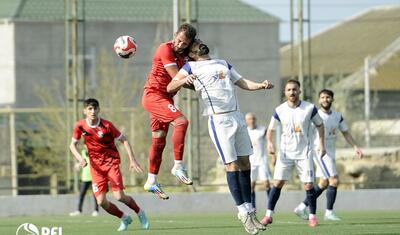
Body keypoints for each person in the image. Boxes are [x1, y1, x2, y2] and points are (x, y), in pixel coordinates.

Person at [167, 40, 274, 235]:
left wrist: (260, 85)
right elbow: (170, 86)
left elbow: (242, 82)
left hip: (237, 116)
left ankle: (250, 211)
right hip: (219, 121)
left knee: (245, 163)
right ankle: (242, 212)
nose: (200, 43)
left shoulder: (223, 63)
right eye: (195, 44)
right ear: (191, 53)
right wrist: (184, 80)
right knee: (231, 165)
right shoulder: (191, 66)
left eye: (199, 41)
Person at [70, 98, 149, 232]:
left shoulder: (107, 126)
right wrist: (79, 159)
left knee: (119, 196)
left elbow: (124, 140)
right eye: (90, 109)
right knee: (101, 202)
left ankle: (140, 212)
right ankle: (124, 217)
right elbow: (72, 145)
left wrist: (132, 160)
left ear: (99, 109)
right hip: (95, 168)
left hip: (111, 163)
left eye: (95, 108)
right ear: (85, 111)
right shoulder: (80, 126)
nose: (93, 111)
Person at [142, 23, 197, 199]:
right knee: (182, 122)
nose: (180, 45)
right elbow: (176, 78)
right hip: (153, 96)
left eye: (185, 43)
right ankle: (178, 166)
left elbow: (189, 78)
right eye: (179, 40)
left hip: (165, 99)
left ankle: (151, 181)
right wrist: (193, 80)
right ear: (174, 35)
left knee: (159, 141)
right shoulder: (164, 49)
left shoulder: (186, 56)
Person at [262, 80, 326, 227]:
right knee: (277, 183)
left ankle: (312, 216)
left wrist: (322, 144)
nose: (292, 92)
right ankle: (268, 216)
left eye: (295, 90)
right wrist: (270, 143)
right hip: (285, 154)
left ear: (299, 91)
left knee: (309, 185)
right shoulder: (280, 110)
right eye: (289, 90)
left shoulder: (309, 108)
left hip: (304, 153)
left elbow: (320, 125)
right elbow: (270, 129)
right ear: (285, 92)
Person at [294, 89, 363, 221]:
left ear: (332, 99)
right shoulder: (315, 115)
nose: (325, 99)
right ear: (319, 100)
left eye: (328, 97)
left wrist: (356, 147)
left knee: (323, 183)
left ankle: (302, 207)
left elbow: (346, 133)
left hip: (330, 153)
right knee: (334, 180)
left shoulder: (337, 116)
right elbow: (303, 130)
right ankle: (329, 212)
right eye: (322, 97)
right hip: (320, 153)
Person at [245, 113, 273, 211]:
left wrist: (273, 154)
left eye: (253, 118)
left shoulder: (262, 130)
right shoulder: (245, 132)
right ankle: (253, 207)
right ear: (246, 121)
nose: (251, 121)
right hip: (251, 162)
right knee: (251, 185)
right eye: (249, 119)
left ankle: (271, 206)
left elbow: (269, 141)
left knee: (266, 183)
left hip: (262, 160)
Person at [69, 148, 99, 217]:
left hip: (93, 177)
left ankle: (96, 210)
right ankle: (78, 210)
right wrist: (78, 165)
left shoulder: (94, 151)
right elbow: (81, 162)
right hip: (85, 178)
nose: (86, 146)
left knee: (95, 195)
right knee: (81, 194)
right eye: (85, 145)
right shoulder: (82, 152)